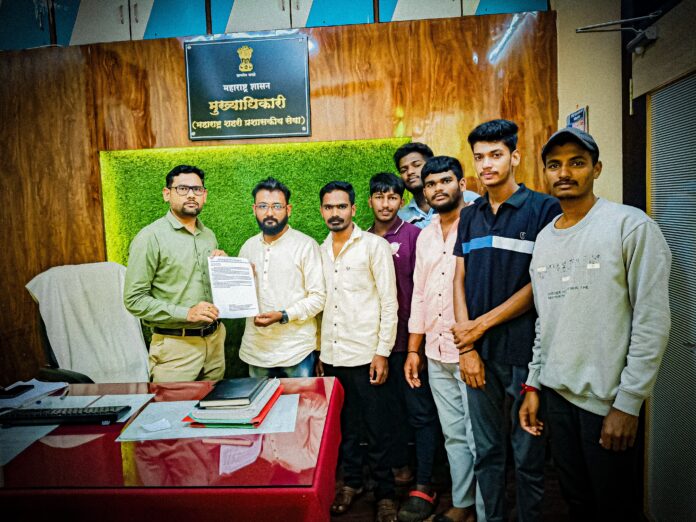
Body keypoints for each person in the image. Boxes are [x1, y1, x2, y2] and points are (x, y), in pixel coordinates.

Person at [518, 127, 671, 521]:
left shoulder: (629, 226)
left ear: (596, 169)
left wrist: (628, 403)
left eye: (577, 163)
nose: (565, 172)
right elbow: (545, 321)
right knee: (578, 504)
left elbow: (652, 321)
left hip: (607, 403)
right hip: (557, 396)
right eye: (555, 165)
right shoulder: (545, 239)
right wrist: (534, 384)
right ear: (545, 173)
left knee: (616, 508)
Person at [451, 120, 561, 522]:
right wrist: (467, 347)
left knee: (528, 455)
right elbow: (458, 278)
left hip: (525, 352)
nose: (486, 164)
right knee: (487, 452)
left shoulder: (544, 209)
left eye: (495, 155)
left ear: (514, 157)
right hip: (478, 355)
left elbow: (539, 282)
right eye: (479, 157)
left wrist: (479, 326)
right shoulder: (470, 215)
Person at [405, 156, 484, 522]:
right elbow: (420, 294)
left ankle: (486, 508)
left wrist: (473, 347)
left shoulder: (479, 224)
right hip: (436, 352)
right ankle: (463, 504)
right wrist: (414, 349)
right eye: (431, 184)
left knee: (479, 436)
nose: (438, 189)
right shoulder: (425, 236)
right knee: (453, 435)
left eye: (445, 181)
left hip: (472, 352)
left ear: (461, 184)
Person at [316, 181, 399, 522]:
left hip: (367, 355)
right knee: (345, 428)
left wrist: (382, 352)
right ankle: (351, 484)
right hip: (332, 356)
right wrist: (320, 351)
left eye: (341, 206)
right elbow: (320, 306)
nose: (335, 213)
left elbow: (389, 302)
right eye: (329, 207)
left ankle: (385, 494)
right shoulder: (319, 250)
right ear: (321, 211)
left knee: (378, 429)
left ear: (353, 208)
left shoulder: (374, 246)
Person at [366, 173, 440, 522]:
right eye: (379, 197)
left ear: (401, 201)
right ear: (369, 201)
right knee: (388, 413)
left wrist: (417, 347)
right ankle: (400, 468)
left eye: (392, 197)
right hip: (376, 347)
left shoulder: (415, 236)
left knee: (420, 412)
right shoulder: (361, 240)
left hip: (410, 343)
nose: (386, 204)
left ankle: (425, 482)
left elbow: (426, 292)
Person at [124, 164, 227, 382]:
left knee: (215, 403)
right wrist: (186, 313)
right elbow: (134, 300)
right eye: (182, 189)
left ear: (204, 195)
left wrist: (225, 268)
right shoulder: (150, 238)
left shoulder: (208, 236)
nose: (191, 195)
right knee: (173, 404)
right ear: (166, 194)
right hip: (175, 347)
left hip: (215, 341)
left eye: (197, 189)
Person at [238, 177, 325, 378]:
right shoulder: (248, 247)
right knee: (260, 400)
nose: (269, 213)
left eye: (277, 206)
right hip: (256, 352)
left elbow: (319, 298)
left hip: (297, 352)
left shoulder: (306, 245)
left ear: (288, 209)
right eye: (263, 206)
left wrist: (283, 315)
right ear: (254, 209)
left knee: (301, 400)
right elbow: (239, 299)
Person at [395, 142, 479, 229]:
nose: (410, 172)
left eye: (417, 165)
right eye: (403, 170)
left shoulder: (469, 198)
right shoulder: (401, 217)